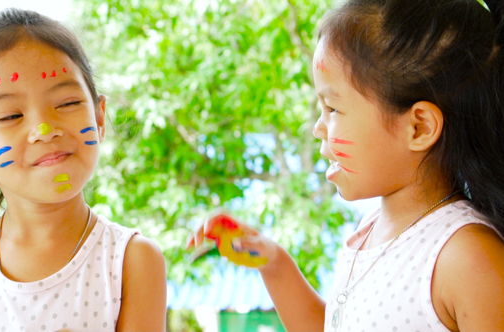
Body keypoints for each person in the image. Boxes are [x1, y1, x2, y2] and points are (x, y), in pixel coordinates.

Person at [189, 0, 504, 330]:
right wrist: (273, 263)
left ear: (418, 127)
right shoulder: (369, 230)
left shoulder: (469, 259)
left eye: (333, 109)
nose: (318, 127)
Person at [0, 8, 166, 331]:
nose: (45, 129)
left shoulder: (132, 261)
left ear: (99, 118)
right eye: (11, 116)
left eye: (67, 103)